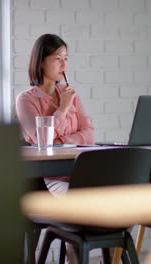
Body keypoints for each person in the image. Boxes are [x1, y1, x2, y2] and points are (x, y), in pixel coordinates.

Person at [16, 34, 94, 196]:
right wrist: (63, 108)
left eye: (66, 58)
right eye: (58, 58)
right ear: (41, 62)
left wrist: (59, 142)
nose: (64, 64)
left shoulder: (70, 93)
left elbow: (89, 134)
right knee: (82, 200)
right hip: (49, 180)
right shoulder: (25, 100)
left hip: (79, 173)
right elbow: (41, 140)